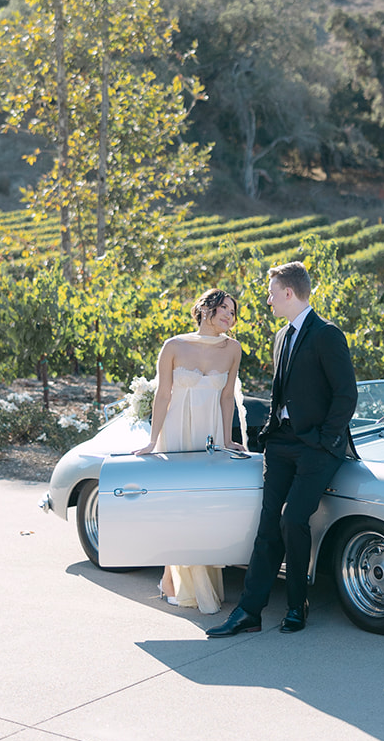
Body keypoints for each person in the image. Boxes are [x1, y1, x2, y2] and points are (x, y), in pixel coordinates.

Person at [207, 261, 357, 637]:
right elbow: (282, 392)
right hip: (281, 445)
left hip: (317, 449)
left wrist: (325, 440)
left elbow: (346, 394)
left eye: (272, 292)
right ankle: (249, 613)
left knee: (294, 520)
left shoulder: (327, 334)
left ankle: (296, 605)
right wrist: (271, 433)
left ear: (289, 293)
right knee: (268, 525)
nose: (268, 299)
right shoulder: (280, 336)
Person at [134, 288, 244, 614]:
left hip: (208, 434)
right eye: (224, 308)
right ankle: (172, 580)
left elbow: (227, 399)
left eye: (233, 312)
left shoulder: (233, 349)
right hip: (177, 433)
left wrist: (226, 441)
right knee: (178, 505)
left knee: (204, 507)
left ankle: (192, 582)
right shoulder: (173, 346)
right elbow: (163, 396)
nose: (230, 316)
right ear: (205, 309)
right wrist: (154, 442)